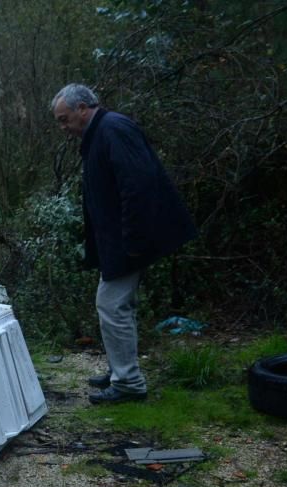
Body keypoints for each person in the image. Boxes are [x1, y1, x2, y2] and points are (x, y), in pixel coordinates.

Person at [50, 83, 196, 404]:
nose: (63, 127)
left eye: (64, 119)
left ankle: (128, 383)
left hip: (130, 239)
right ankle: (121, 371)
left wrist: (133, 241)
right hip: (119, 240)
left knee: (111, 304)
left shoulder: (113, 129)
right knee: (119, 306)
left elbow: (138, 186)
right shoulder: (101, 132)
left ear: (82, 109)